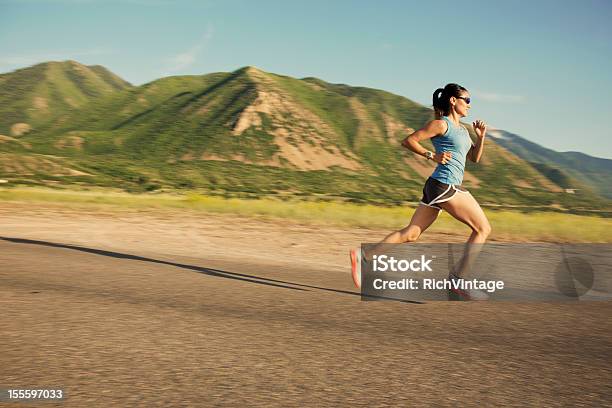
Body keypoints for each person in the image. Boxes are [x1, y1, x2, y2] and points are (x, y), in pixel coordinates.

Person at [350, 83, 491, 300]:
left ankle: (364, 256)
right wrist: (430, 155)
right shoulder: (441, 125)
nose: (470, 105)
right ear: (453, 100)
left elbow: (474, 158)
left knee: (411, 234)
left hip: (438, 186)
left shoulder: (462, 130)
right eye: (467, 100)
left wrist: (481, 137)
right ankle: (458, 280)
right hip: (446, 186)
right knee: (482, 228)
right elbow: (409, 140)